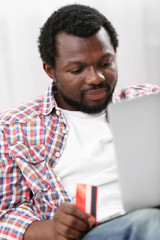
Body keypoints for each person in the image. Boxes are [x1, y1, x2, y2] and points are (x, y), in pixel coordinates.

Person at [0, 4, 160, 240]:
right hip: (100, 230)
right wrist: (53, 230)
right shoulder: (15, 128)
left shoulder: (148, 100)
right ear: (51, 70)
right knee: (147, 223)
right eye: (77, 69)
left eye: (105, 63)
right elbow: (5, 215)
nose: (96, 78)